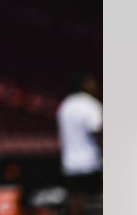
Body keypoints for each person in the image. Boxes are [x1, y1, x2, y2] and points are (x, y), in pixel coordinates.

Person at [56, 72, 102, 215]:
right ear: (84, 84)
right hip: (90, 163)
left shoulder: (65, 105)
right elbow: (98, 132)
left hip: (70, 163)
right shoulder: (89, 104)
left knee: (76, 203)